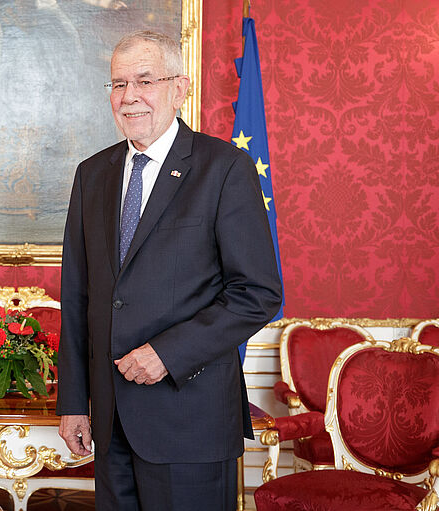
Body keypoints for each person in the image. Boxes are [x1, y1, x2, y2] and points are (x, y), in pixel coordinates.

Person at [56, 31, 282, 511]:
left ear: (179, 89)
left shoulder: (224, 168)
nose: (129, 96)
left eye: (144, 80)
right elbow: (78, 297)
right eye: (118, 84)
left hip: (190, 420)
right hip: (111, 421)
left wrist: (167, 353)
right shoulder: (92, 174)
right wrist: (74, 401)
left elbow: (257, 292)